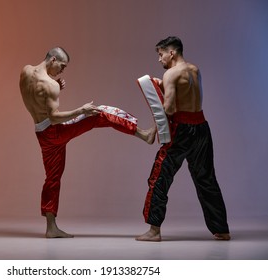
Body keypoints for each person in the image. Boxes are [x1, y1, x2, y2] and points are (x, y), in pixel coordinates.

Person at [19, 47, 156, 238]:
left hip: (41, 134)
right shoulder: (51, 85)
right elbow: (55, 117)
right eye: (62, 66)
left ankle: (51, 228)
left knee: (52, 178)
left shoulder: (25, 71)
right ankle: (143, 134)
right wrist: (80, 110)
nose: (62, 71)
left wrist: (52, 87)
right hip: (55, 131)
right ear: (52, 60)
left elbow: (33, 96)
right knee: (99, 113)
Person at [136, 36, 230, 242]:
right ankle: (221, 229)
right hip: (202, 128)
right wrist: (161, 85)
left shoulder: (170, 73)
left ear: (172, 53)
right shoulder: (194, 69)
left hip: (182, 131)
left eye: (161, 55)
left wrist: (154, 129)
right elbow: (187, 94)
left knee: (159, 177)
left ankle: (154, 231)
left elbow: (169, 108)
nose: (159, 60)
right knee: (206, 179)